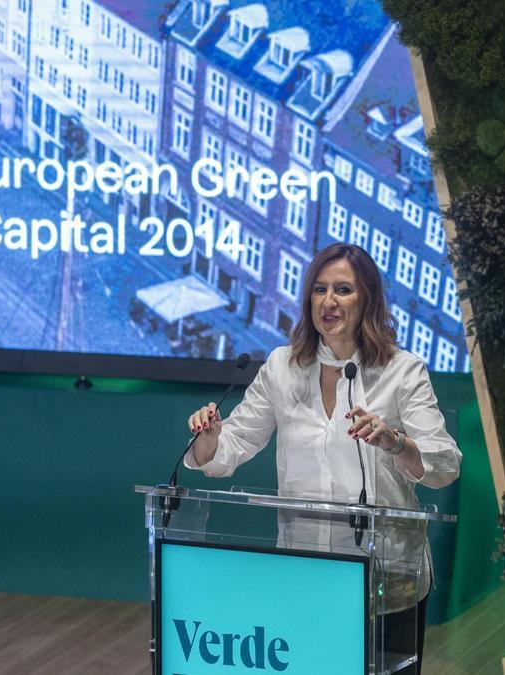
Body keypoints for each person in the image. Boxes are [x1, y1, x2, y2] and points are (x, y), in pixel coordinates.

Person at [183, 243, 461, 673]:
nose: (328, 301)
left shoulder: (402, 370)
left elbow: (444, 466)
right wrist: (211, 436)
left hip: (386, 577)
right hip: (306, 573)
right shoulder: (282, 366)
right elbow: (227, 450)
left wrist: (393, 441)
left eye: (343, 290)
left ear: (367, 298)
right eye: (319, 289)